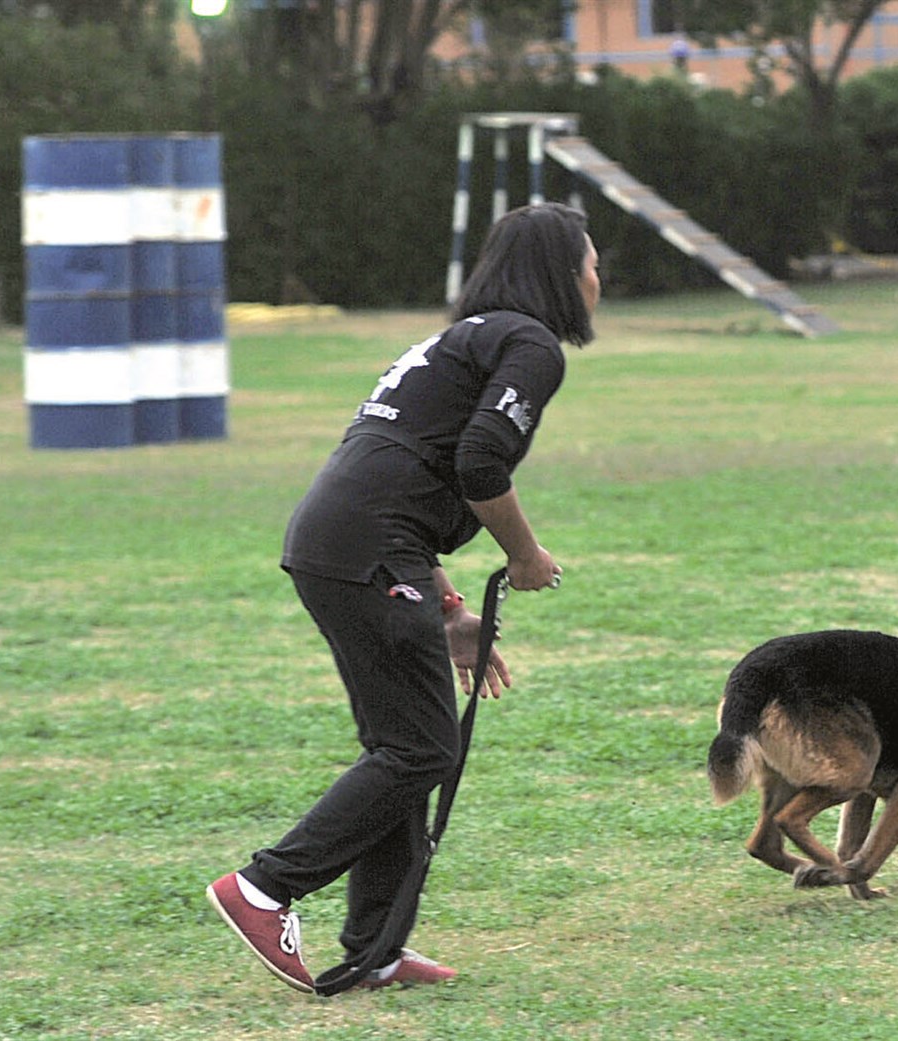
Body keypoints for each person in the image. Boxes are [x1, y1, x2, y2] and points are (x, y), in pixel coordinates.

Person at [205, 202, 600, 994]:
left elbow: (407, 461)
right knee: (420, 747)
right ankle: (265, 886)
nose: (600, 277)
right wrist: (524, 554)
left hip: (346, 540)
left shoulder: (462, 337)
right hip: (367, 545)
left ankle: (374, 946)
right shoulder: (529, 343)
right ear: (561, 271)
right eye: (592, 260)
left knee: (404, 743)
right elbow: (481, 461)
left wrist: (446, 605)